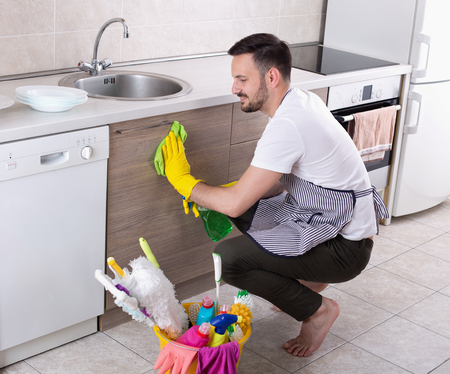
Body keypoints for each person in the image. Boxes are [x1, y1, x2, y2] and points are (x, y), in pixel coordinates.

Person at [161, 33, 388, 357]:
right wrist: (216, 197)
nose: (234, 88)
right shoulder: (301, 101)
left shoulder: (288, 125)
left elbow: (238, 200)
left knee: (230, 260)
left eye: (242, 79)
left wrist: (187, 184)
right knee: (235, 206)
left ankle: (317, 311)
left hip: (346, 249)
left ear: (271, 76)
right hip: (331, 225)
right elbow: (265, 188)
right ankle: (310, 285)